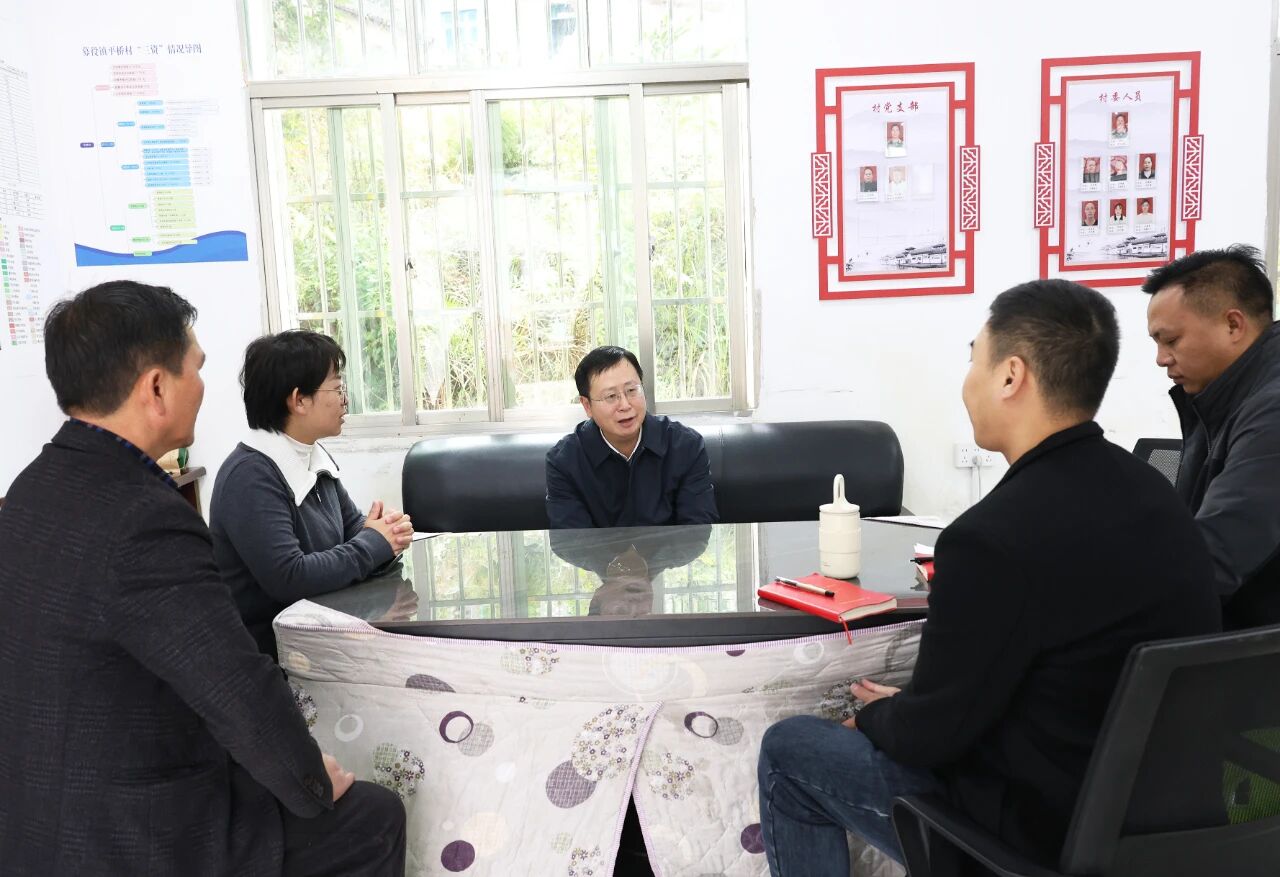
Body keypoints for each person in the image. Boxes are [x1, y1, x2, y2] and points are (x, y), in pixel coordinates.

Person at [758, 278, 1220, 873]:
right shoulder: (1156, 494)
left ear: (1010, 376)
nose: (967, 382)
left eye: (973, 358)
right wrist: (924, 707)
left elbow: (930, 738)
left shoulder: (989, 539)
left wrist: (878, 716)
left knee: (791, 747)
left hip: (1032, 841)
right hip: (1166, 827)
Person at [0, 281, 406, 875]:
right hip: (127, 826)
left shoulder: (30, 490)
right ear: (157, 387)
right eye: (196, 367)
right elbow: (233, 683)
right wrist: (310, 778)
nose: (202, 386)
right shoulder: (147, 516)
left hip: (34, 809)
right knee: (371, 816)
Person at [210, 331, 413, 658]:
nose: (345, 399)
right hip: (270, 656)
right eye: (337, 388)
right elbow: (290, 577)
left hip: (321, 636)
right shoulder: (250, 477)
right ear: (299, 400)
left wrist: (385, 533)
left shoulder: (311, 455)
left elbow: (352, 528)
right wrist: (374, 543)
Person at [1144, 245, 1280, 628]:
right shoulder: (1224, 395)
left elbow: (1216, 555)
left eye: (1171, 340)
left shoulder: (1272, 409)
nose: (1161, 358)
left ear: (1233, 325)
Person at [546, 345, 718, 529]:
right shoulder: (564, 461)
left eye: (631, 390)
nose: (625, 405)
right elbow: (572, 538)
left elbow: (698, 529)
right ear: (587, 405)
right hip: (599, 551)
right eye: (611, 396)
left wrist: (655, 551)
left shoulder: (686, 446)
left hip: (672, 550)